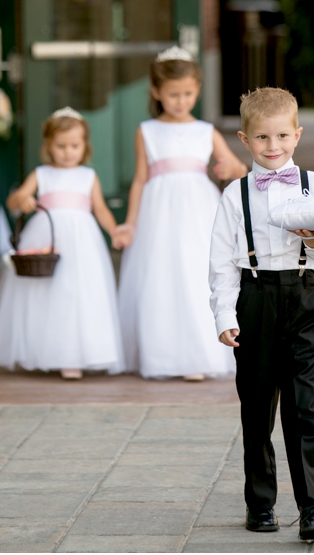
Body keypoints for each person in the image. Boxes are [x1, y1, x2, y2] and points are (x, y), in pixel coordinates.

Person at [209, 87, 314, 541]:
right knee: (257, 406)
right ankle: (260, 503)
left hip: (304, 299)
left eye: (283, 136)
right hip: (255, 300)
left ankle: (312, 508)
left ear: (297, 134)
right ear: (245, 140)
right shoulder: (235, 195)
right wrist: (224, 315)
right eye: (263, 138)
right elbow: (222, 262)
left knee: (306, 406)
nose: (274, 147)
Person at [117, 46, 248, 381]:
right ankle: (162, 354)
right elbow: (140, 180)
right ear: (156, 92)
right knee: (160, 275)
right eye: (173, 94)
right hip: (156, 211)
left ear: (198, 91)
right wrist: (130, 223)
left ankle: (198, 355)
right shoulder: (146, 130)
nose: (181, 101)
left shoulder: (205, 130)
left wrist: (231, 166)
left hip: (197, 210)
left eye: (188, 94)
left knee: (194, 273)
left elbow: (237, 167)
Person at [0, 108, 126, 380]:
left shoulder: (88, 176)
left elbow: (101, 210)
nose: (68, 152)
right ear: (48, 145)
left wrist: (114, 231)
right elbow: (15, 200)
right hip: (46, 238)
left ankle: (75, 355)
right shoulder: (41, 174)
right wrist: (23, 202)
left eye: (75, 145)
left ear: (85, 145)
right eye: (61, 146)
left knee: (78, 294)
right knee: (46, 293)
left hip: (83, 243)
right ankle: (45, 351)